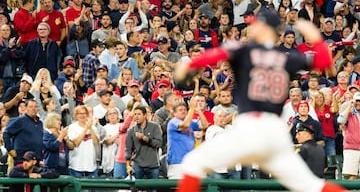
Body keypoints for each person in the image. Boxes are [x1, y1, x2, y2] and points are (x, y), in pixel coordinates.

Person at [174, 12, 346, 192]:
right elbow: (324, 60)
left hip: (251, 127)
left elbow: (215, 55)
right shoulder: (287, 57)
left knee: (192, 164)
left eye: (257, 24)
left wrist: (190, 65)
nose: (253, 27)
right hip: (275, 133)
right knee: (312, 186)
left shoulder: (245, 51)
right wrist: (315, 37)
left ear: (265, 28)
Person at [125, 106, 162, 179]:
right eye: (135, 114)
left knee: (153, 189)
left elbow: (159, 144)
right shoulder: (131, 130)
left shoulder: (154, 127)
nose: (136, 116)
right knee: (137, 188)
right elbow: (128, 150)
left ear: (145, 115)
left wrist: (145, 138)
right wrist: (128, 166)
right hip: (137, 165)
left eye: (139, 114)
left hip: (153, 165)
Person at [3, 99, 43, 165]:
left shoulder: (40, 123)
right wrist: (9, 149)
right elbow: (6, 133)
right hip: (22, 159)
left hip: (36, 159)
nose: (33, 108)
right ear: (26, 108)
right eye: (31, 107)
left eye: (35, 106)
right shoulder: (20, 121)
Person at [67, 105, 99, 178]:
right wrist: (85, 129)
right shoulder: (72, 127)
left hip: (91, 165)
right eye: (80, 113)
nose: (82, 115)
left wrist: (90, 128)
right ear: (76, 115)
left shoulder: (93, 127)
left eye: (84, 113)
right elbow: (76, 143)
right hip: (76, 164)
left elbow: (96, 142)